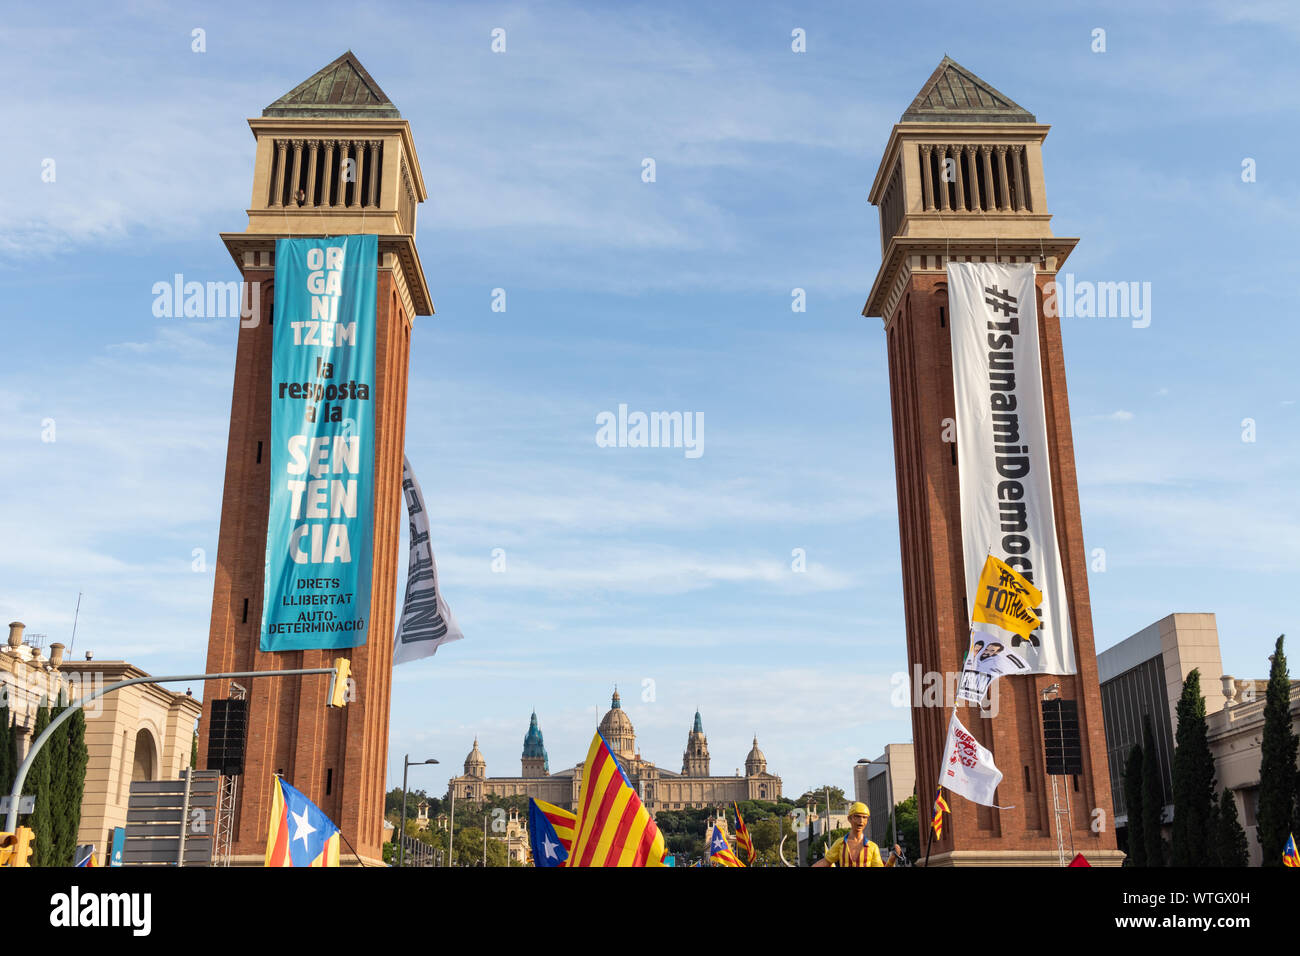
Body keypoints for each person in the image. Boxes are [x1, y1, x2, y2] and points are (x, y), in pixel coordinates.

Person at [812, 802, 903, 867]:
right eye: (857, 816)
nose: (861, 821)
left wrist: (891, 860)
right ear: (849, 819)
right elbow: (826, 862)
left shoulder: (872, 847)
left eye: (864, 817)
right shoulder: (840, 844)